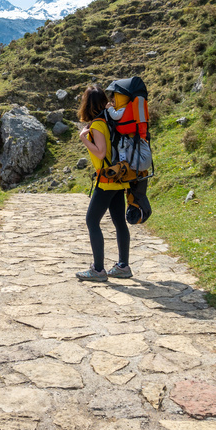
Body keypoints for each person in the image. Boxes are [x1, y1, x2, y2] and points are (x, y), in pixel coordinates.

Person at [75, 85, 133, 282]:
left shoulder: (99, 125)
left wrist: (84, 137)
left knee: (92, 221)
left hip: (107, 181)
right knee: (119, 223)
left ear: (87, 104)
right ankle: (123, 266)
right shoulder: (110, 121)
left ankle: (98, 269)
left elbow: (100, 152)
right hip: (118, 179)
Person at [105, 79, 153, 224]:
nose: (112, 99)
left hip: (129, 143)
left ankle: (124, 168)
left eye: (114, 96)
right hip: (138, 142)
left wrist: (108, 108)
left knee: (124, 155)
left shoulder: (124, 109)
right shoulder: (133, 108)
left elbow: (115, 116)